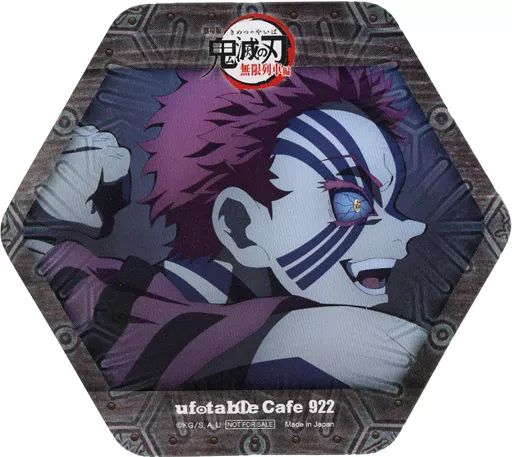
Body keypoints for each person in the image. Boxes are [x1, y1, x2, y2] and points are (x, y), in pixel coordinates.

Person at [25, 67, 428, 391]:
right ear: (241, 225)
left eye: (387, 202)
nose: (410, 228)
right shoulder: (106, 302)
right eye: (351, 201)